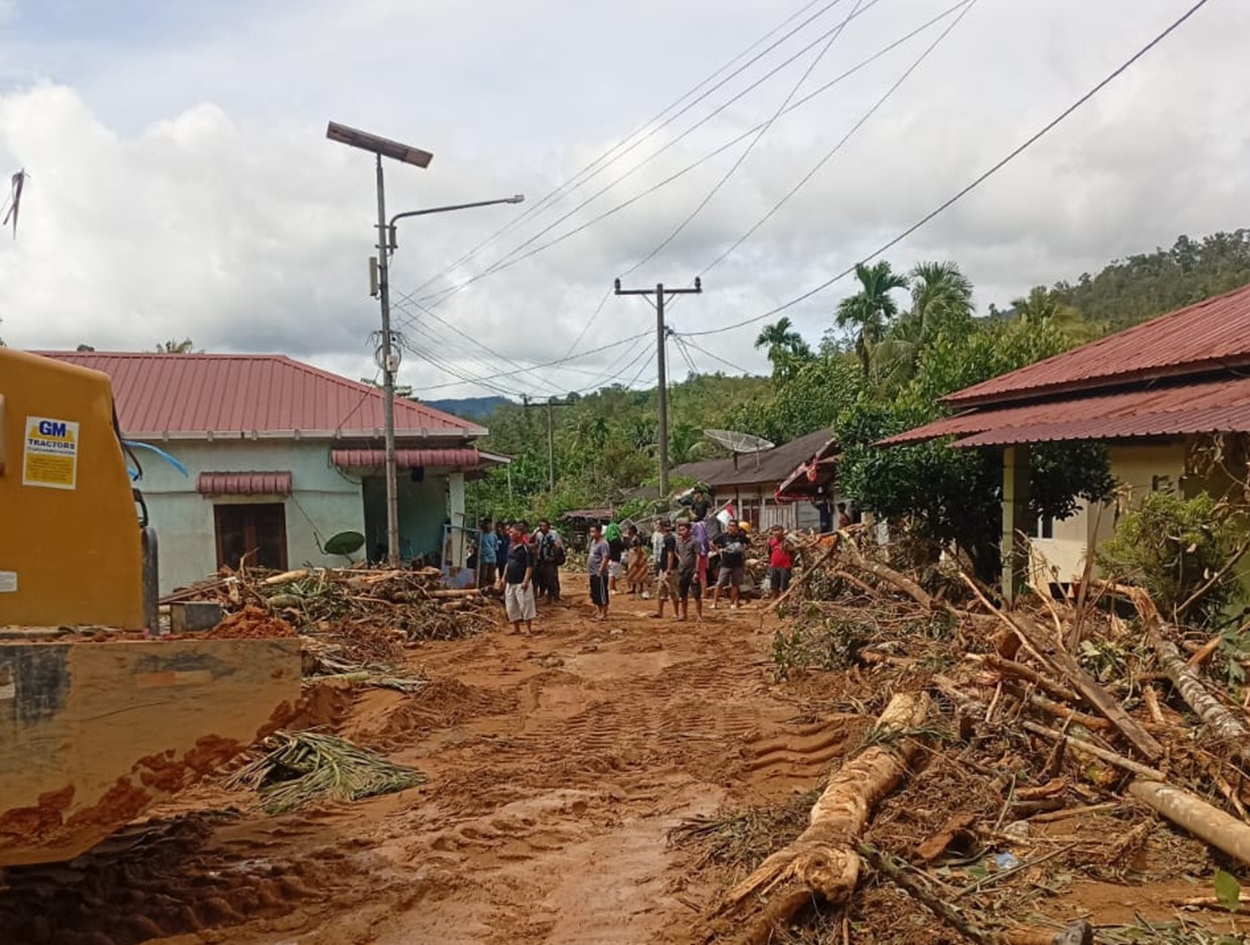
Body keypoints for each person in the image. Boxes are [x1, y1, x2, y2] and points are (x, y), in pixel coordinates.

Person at [497, 522, 536, 634]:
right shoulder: (510, 547)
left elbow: (529, 566)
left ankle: (528, 629)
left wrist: (526, 581)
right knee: (511, 606)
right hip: (510, 581)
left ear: (518, 533)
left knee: (526, 605)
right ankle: (516, 628)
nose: (509, 534)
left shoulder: (526, 548)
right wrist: (503, 578)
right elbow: (507, 564)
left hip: (521, 582)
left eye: (511, 532)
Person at [712, 519, 748, 610]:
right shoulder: (723, 537)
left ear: (737, 527)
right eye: (729, 525)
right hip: (725, 563)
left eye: (733, 526)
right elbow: (712, 542)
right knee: (720, 583)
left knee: (735, 584)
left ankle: (732, 603)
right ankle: (714, 603)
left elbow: (748, 543)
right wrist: (718, 551)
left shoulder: (741, 537)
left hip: (738, 564)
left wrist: (743, 549)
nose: (731, 528)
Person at [649, 519, 679, 619]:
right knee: (661, 589)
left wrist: (668, 569)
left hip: (670, 569)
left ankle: (676, 613)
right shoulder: (665, 538)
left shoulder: (669, 539)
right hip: (663, 568)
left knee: (673, 590)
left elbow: (670, 555)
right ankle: (660, 612)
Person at [674, 520, 703, 622]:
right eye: (679, 529)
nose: (680, 532)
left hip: (692, 571)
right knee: (683, 594)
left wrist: (697, 571)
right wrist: (681, 561)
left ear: (689, 530)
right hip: (682, 571)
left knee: (696, 595)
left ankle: (699, 615)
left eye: (683, 529)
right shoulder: (678, 541)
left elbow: (698, 556)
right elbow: (676, 552)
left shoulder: (695, 541)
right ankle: (684, 614)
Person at [532, 518, 565, 603]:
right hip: (540, 559)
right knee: (541, 578)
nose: (541, 527)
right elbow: (533, 543)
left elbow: (559, 546)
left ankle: (554, 597)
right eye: (540, 526)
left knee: (552, 579)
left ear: (548, 527)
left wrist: (554, 558)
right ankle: (543, 596)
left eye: (543, 526)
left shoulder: (554, 534)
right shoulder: (538, 535)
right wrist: (535, 532)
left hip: (550, 560)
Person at [586, 523, 611, 621]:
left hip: (599, 573)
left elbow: (605, 558)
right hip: (592, 572)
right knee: (595, 593)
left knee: (602, 594)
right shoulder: (593, 542)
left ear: (599, 532)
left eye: (593, 531)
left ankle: (604, 613)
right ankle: (599, 611)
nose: (592, 534)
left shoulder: (603, 543)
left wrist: (600, 570)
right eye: (591, 531)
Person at [767, 525, 794, 599]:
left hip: (785, 567)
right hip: (774, 566)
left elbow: (793, 552)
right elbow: (769, 553)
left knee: (784, 586)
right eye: (774, 531)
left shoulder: (787, 541)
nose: (776, 533)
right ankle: (774, 602)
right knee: (774, 586)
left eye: (778, 531)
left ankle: (784, 604)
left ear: (782, 532)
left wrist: (790, 564)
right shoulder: (771, 541)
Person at [625, 524, 648, 596]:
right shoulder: (631, 538)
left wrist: (637, 560)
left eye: (629, 530)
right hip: (632, 556)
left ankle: (640, 589)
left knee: (639, 573)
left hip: (637, 557)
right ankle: (633, 588)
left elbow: (638, 550)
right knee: (632, 572)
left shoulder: (636, 539)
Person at [477, 518, 498, 588]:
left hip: (492, 557)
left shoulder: (494, 536)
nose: (488, 526)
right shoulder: (480, 535)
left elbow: (496, 547)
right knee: (483, 575)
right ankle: (483, 589)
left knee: (491, 576)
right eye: (486, 524)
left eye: (489, 524)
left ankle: (490, 589)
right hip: (483, 557)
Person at [605, 522, 625, 593]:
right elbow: (622, 547)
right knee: (612, 574)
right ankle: (611, 589)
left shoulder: (606, 539)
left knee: (611, 573)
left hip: (608, 559)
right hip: (615, 558)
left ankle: (613, 588)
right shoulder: (616, 540)